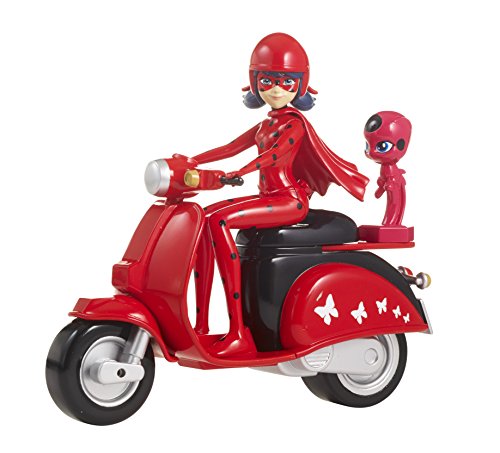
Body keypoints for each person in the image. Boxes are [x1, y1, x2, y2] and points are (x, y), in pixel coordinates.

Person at [193, 33, 369, 357]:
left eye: (286, 82)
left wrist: (239, 172)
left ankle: (238, 331)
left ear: (300, 86)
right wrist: (192, 160)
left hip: (288, 201)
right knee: (203, 218)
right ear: (255, 82)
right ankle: (200, 326)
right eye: (268, 81)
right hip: (268, 200)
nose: (276, 90)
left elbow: (273, 156)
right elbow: (230, 147)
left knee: (218, 221)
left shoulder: (294, 125)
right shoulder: (265, 124)